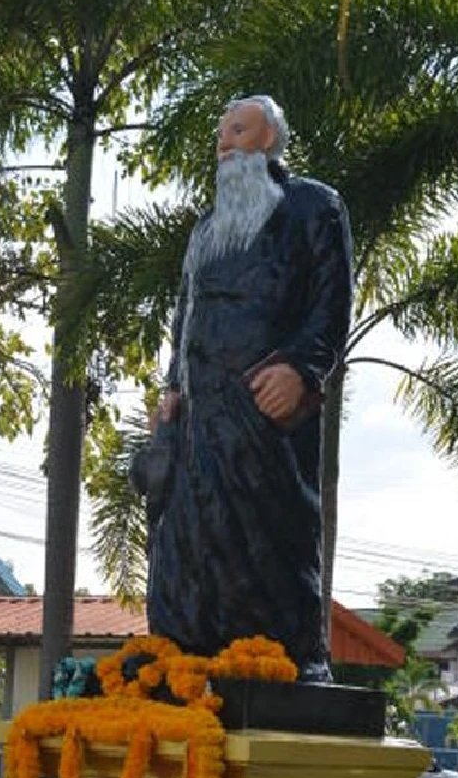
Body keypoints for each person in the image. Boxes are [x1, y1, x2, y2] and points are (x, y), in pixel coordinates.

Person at [134, 95, 353, 680]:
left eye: (238, 129)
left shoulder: (313, 206)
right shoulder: (207, 228)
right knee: (187, 539)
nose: (224, 140)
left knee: (268, 538)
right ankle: (186, 654)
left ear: (270, 141)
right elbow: (187, 312)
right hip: (200, 416)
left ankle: (287, 662)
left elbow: (331, 305)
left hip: (266, 412)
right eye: (220, 132)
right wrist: (173, 389)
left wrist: (302, 369)